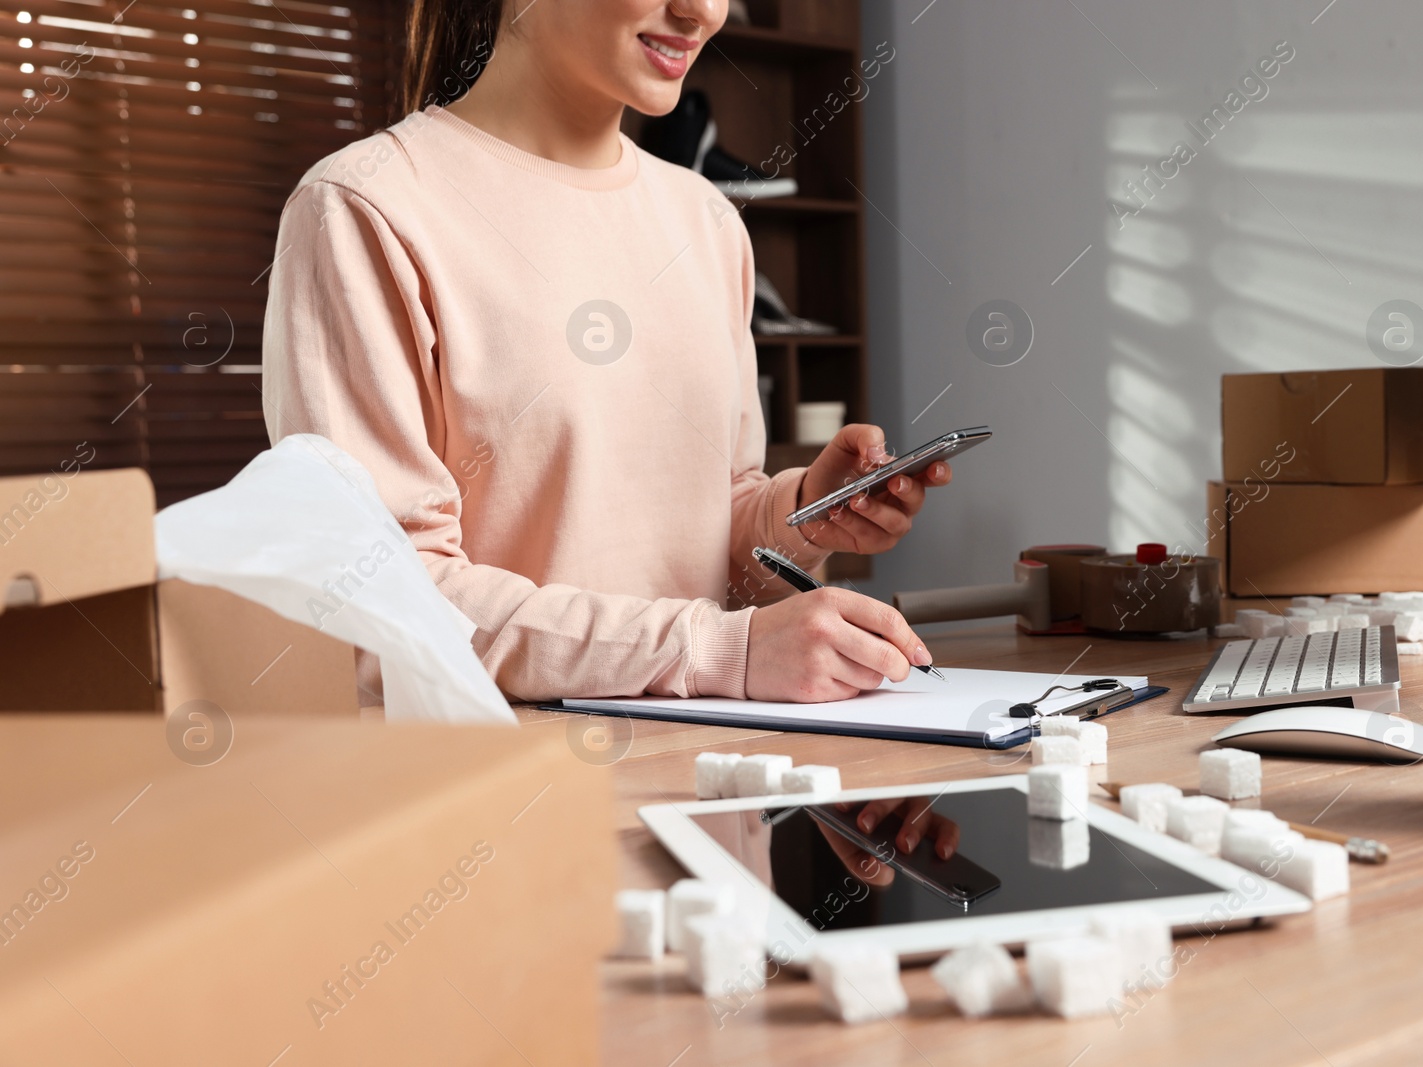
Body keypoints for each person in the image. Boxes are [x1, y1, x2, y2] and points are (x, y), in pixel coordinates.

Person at [261, 0, 951, 703]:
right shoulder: (363, 207)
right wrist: (717, 651)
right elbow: (383, 598)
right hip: (509, 796)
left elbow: (711, 541)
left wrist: (803, 514)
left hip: (721, 788)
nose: (702, 11)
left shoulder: (706, 221)